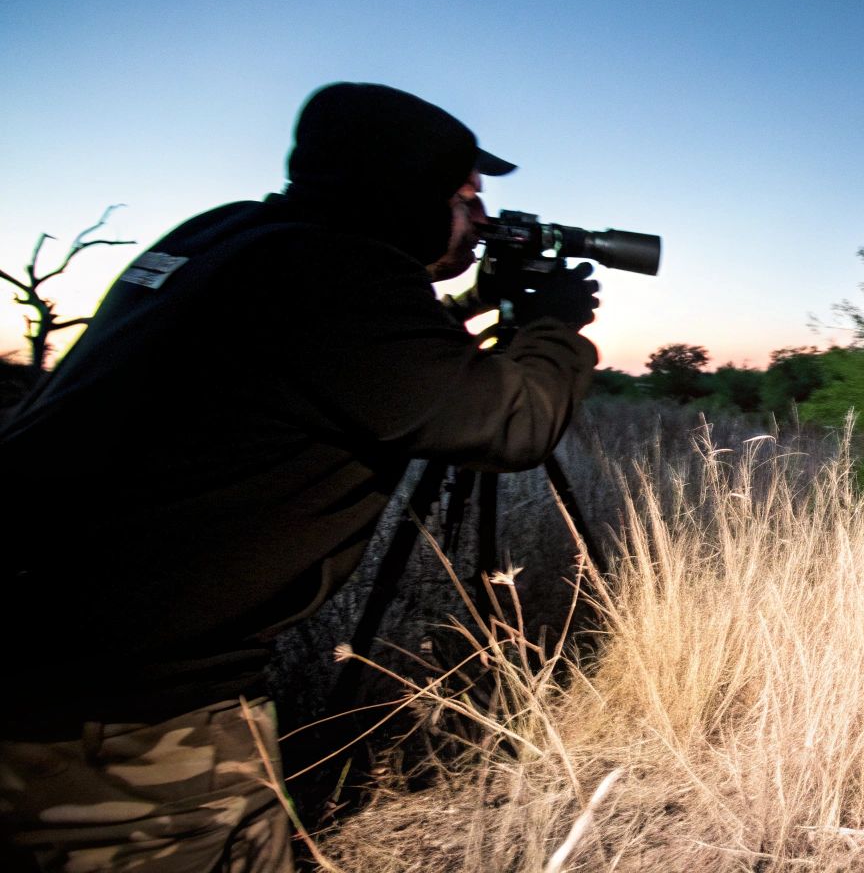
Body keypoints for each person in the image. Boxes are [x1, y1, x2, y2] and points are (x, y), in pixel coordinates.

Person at [0, 83, 602, 871]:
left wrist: (474, 300)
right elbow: (511, 422)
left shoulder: (233, 237)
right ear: (402, 194)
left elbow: (345, 355)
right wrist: (553, 327)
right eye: (464, 198)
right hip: (116, 717)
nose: (481, 220)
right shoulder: (338, 274)